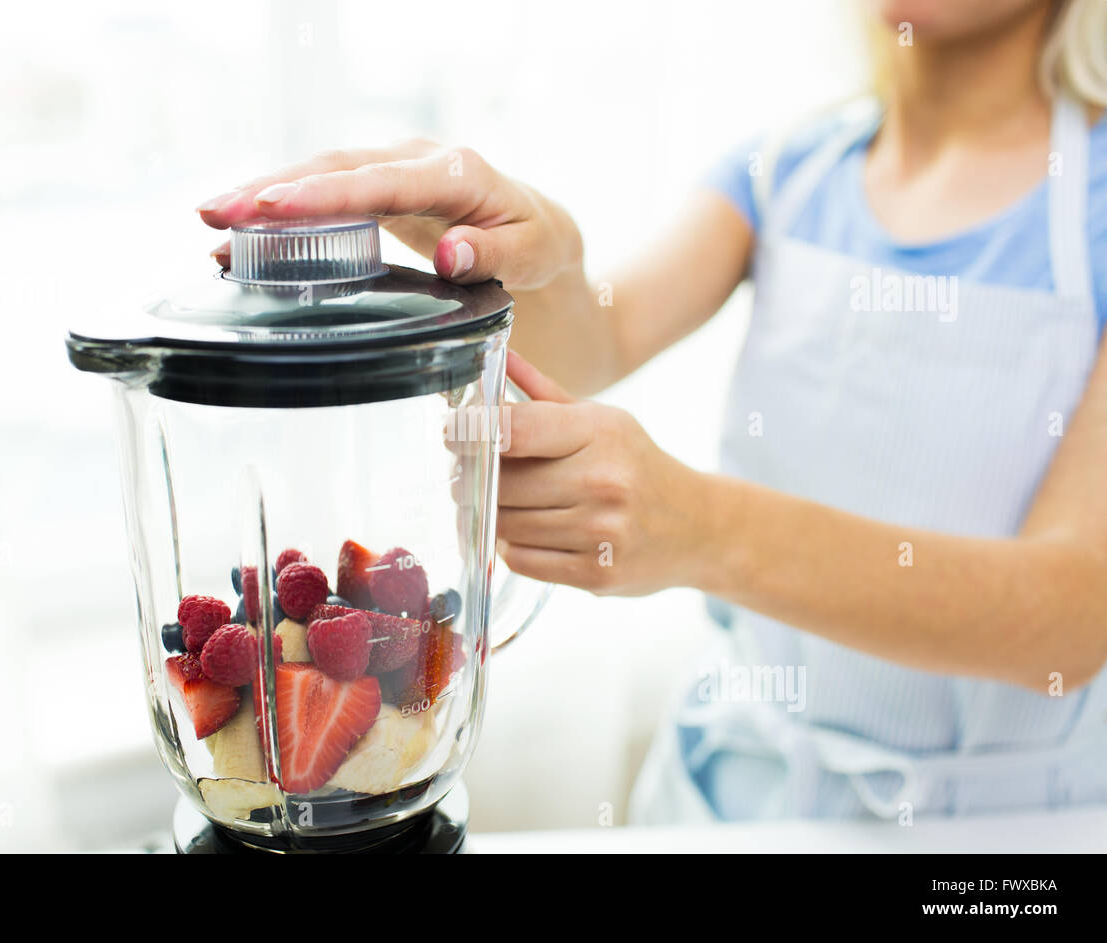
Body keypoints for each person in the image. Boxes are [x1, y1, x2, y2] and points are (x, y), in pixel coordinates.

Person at [195, 0, 1107, 820]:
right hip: (733, 796)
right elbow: (599, 333)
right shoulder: (787, 169)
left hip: (1003, 830)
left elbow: (1074, 612)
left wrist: (701, 528)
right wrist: (530, 253)